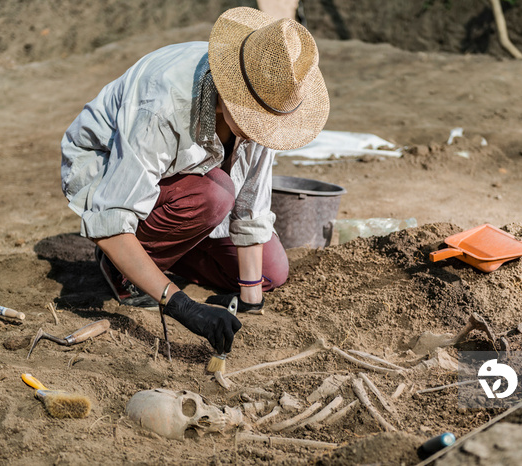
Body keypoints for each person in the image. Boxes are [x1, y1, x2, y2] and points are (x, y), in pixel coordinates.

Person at [60, 7, 330, 356]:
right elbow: (109, 221)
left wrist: (250, 299)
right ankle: (121, 270)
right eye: (255, 120)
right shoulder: (162, 104)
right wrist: (181, 305)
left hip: (189, 185)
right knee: (215, 195)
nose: (262, 133)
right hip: (106, 169)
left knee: (271, 273)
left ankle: (168, 244)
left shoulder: (269, 93)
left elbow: (251, 205)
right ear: (228, 98)